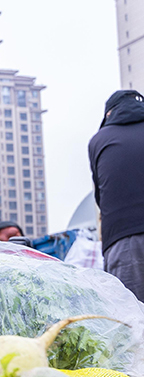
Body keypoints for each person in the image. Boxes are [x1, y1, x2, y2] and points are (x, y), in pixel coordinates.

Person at [89, 90, 144, 302]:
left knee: (133, 322)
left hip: (123, 242)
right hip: (123, 237)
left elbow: (101, 197)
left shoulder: (99, 140)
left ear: (109, 114)